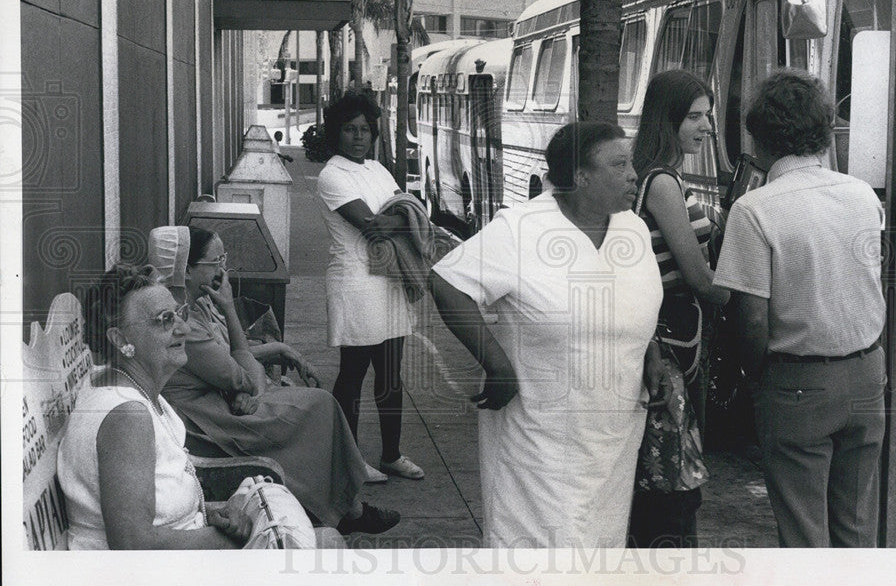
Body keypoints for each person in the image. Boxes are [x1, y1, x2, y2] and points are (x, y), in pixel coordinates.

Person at [429, 122, 663, 547]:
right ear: (580, 176)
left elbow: (628, 304)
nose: (634, 175)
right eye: (619, 164)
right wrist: (495, 364)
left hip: (613, 433)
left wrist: (649, 348)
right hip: (540, 437)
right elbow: (448, 282)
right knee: (541, 557)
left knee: (599, 549)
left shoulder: (631, 228)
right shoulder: (522, 228)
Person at [713, 70, 886, 547]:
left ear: (760, 137)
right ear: (825, 131)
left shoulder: (755, 209)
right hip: (869, 373)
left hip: (796, 383)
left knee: (805, 532)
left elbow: (751, 317)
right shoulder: (861, 194)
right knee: (856, 527)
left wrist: (756, 378)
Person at [149, 225, 400, 536]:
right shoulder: (186, 323)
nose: (224, 269)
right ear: (186, 270)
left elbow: (234, 357)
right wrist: (229, 308)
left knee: (316, 405)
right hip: (207, 422)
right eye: (216, 262)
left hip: (218, 400)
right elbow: (246, 378)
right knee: (318, 407)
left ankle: (346, 507)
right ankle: (347, 510)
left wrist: (278, 351)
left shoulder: (196, 303)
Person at [57, 264, 251, 549]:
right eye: (165, 319)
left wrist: (211, 515)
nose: (183, 328)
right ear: (121, 340)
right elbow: (132, 543)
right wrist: (223, 542)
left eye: (180, 314)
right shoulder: (126, 416)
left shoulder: (133, 390)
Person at [626, 70, 731, 548]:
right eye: (694, 116)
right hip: (671, 344)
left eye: (707, 115)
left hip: (672, 340)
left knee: (668, 465)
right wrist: (746, 295)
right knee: (672, 471)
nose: (706, 126)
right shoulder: (662, 181)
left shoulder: (663, 175)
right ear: (666, 120)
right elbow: (697, 275)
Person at [316, 93, 424, 480]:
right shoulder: (333, 175)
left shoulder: (378, 169)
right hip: (356, 281)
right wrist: (407, 221)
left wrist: (404, 217)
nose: (358, 136)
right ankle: (350, 459)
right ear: (336, 133)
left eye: (364, 129)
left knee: (391, 374)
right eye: (349, 129)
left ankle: (391, 455)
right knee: (353, 374)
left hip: (389, 280)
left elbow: (406, 207)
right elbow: (374, 224)